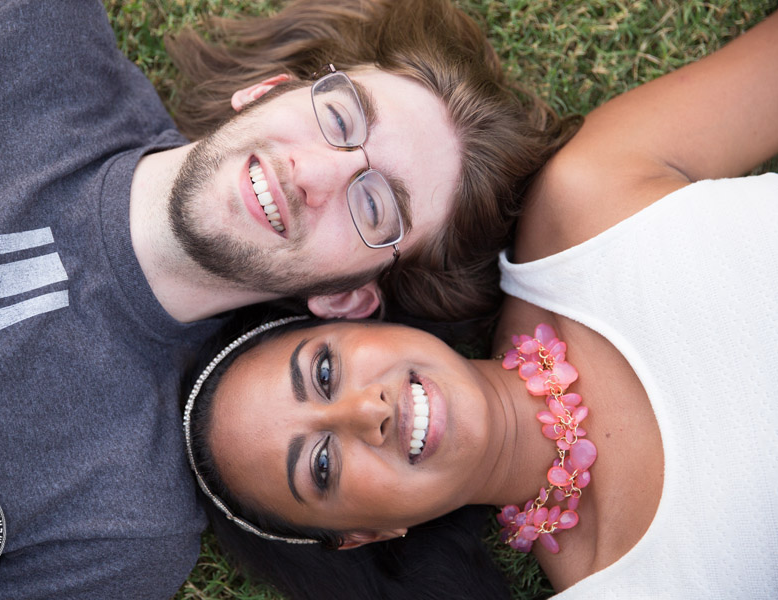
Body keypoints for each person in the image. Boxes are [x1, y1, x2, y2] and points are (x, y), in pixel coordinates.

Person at [0, 0, 573, 596]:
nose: (316, 172)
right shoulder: (28, 27)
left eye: (376, 207)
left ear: (347, 299)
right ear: (268, 90)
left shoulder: (123, 525)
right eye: (340, 115)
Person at [183, 8, 778, 600]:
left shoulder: (586, 202)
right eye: (320, 465)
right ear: (365, 534)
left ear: (352, 317)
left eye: (324, 372)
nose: (369, 413)